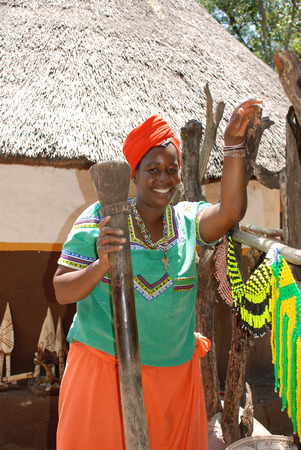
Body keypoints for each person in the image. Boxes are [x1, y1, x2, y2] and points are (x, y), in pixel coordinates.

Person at [54, 98, 262, 450]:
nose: (164, 178)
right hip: (106, 378)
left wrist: (233, 146)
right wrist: (101, 265)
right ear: (134, 173)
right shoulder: (101, 218)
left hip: (175, 384)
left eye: (172, 168)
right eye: (153, 169)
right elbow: (61, 290)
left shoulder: (186, 220)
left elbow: (230, 211)